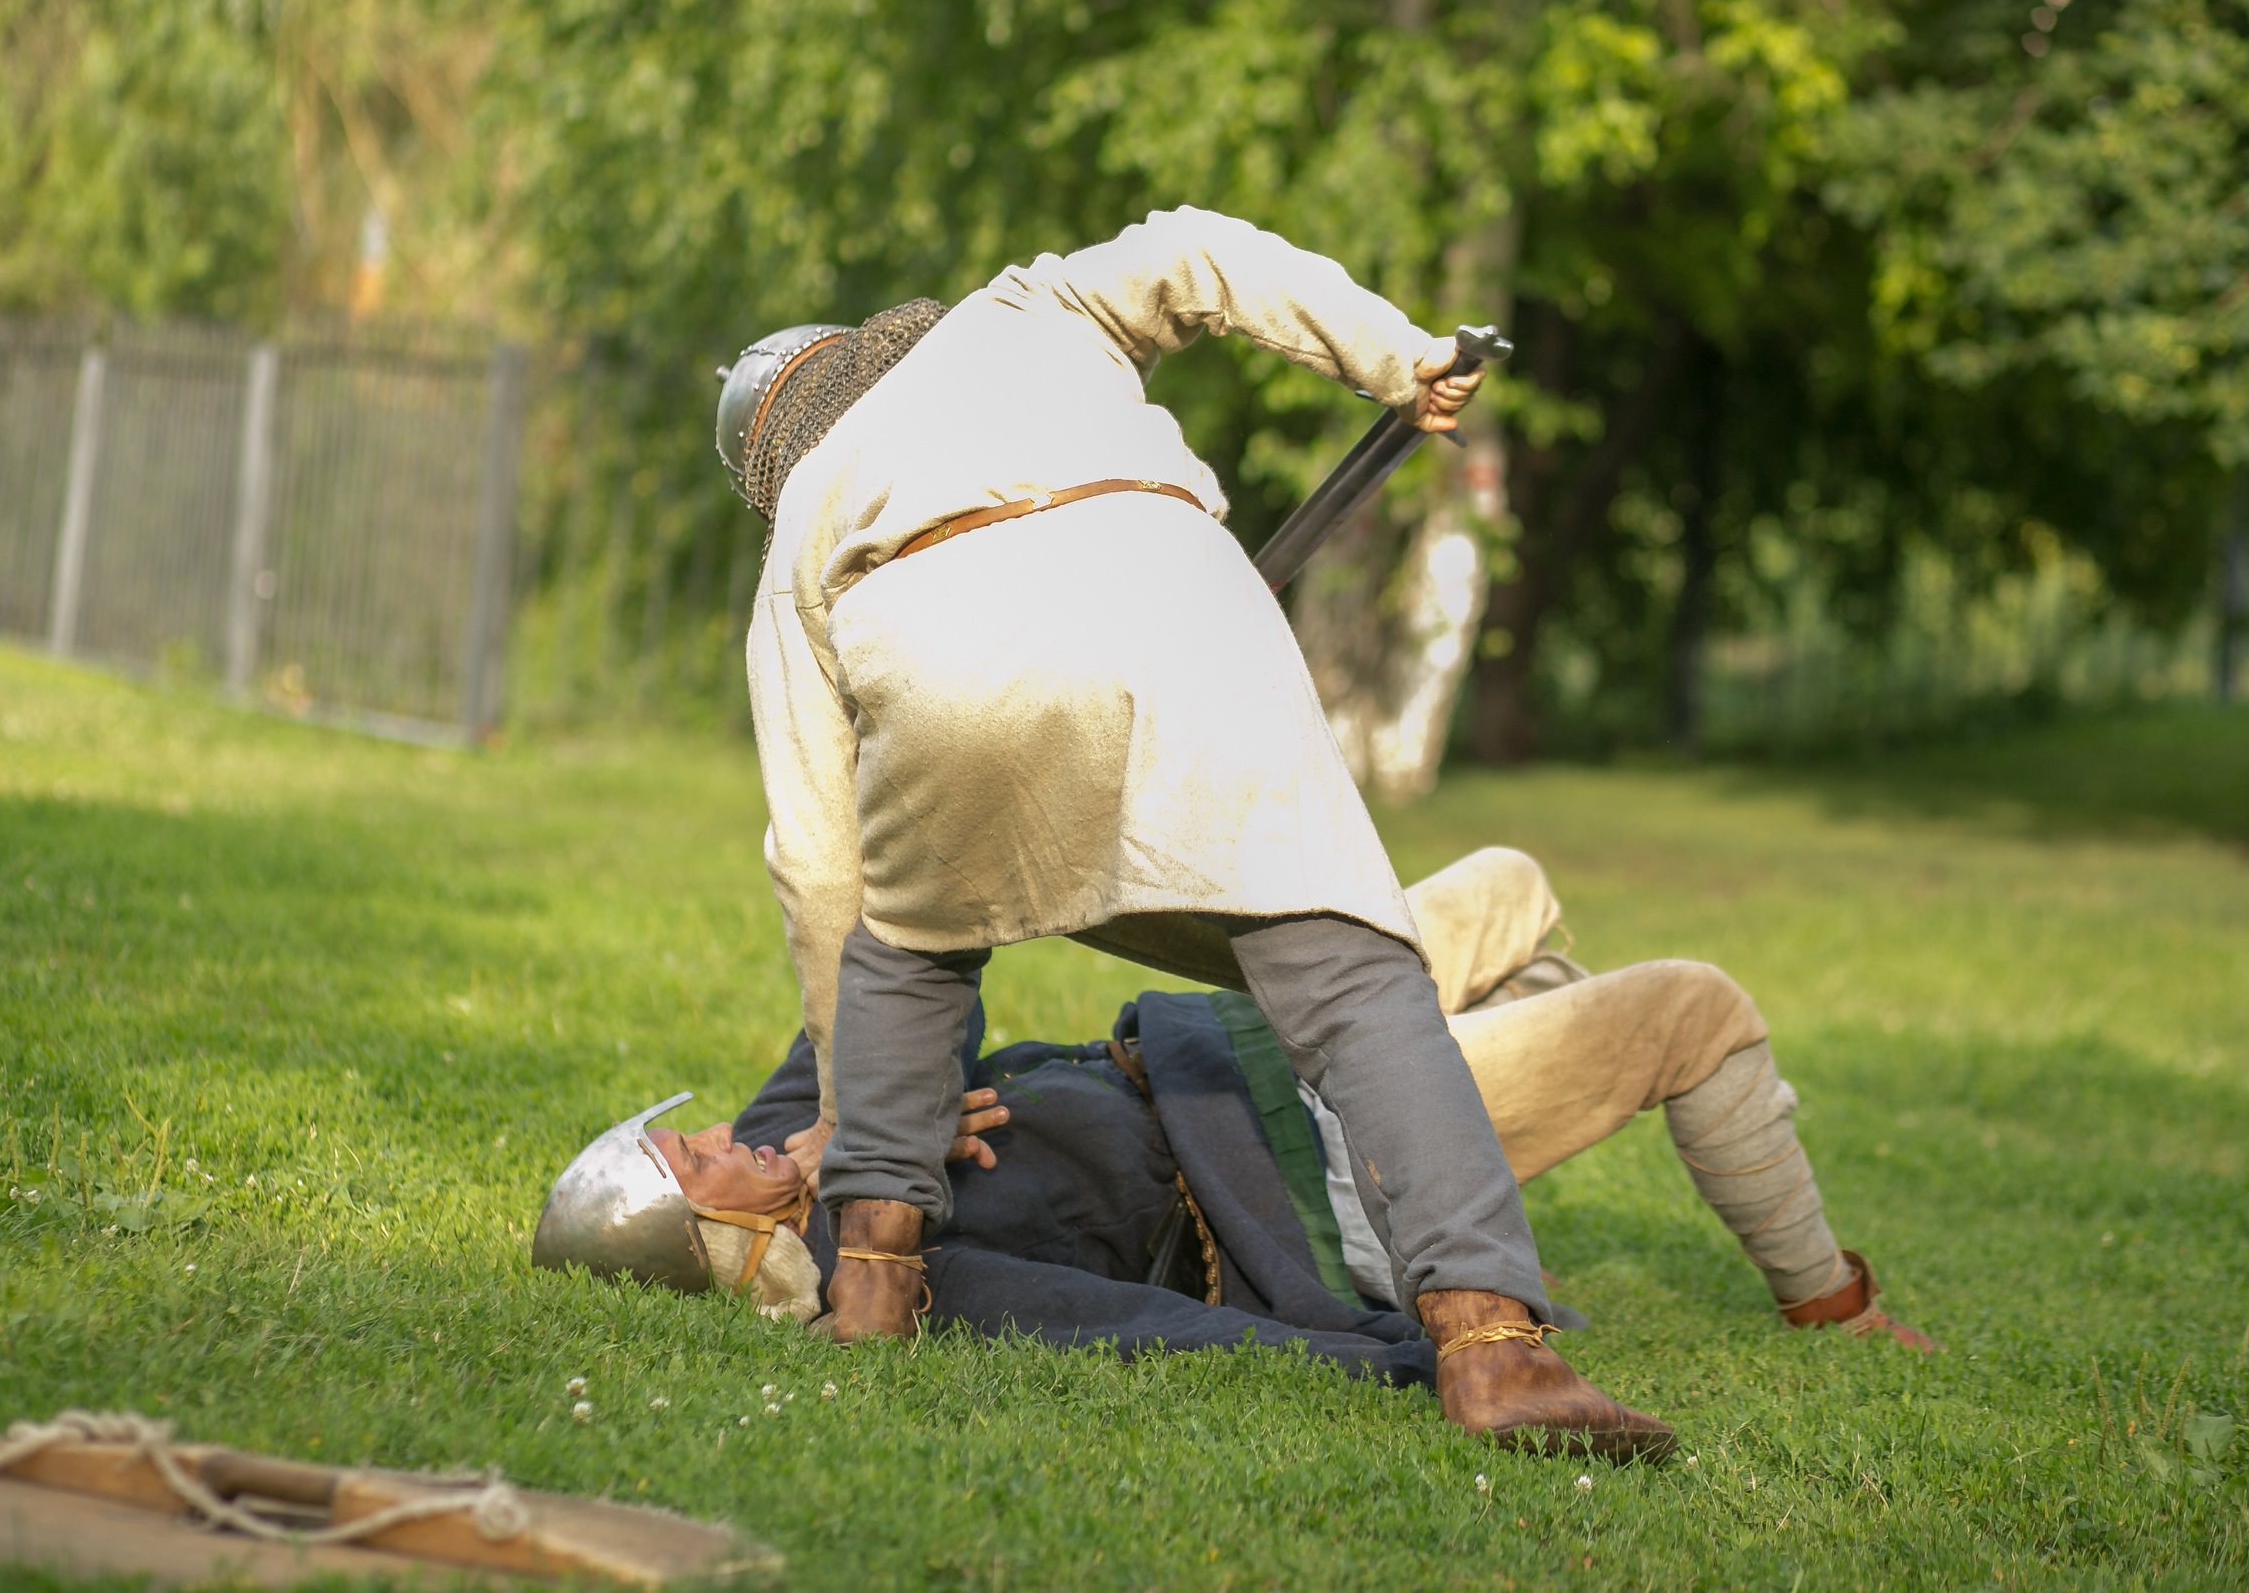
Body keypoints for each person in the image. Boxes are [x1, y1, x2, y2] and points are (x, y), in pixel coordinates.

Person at [727, 207, 1662, 1458]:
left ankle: (872, 1300)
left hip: (932, 656)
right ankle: (1495, 1354)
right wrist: (1392, 353)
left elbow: (816, 860)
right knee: (1355, 990)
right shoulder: (1026, 306)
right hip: (1185, 620)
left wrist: (853, 1101)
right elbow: (1197, 249)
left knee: (908, 951)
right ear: (873, 351)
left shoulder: (804, 526)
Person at [532, 850, 1932, 1443]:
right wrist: (1417, 1348)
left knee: (1507, 882)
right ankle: (1830, 1298)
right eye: (693, 1157)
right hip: (1321, 1156)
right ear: (725, 1239)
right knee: (1693, 1009)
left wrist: (861, 1119)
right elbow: (1149, 1326)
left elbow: (907, 953)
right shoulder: (894, 1279)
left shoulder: (798, 1140)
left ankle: (1540, 1028)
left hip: (1229, 1041)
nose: (717, 1128)